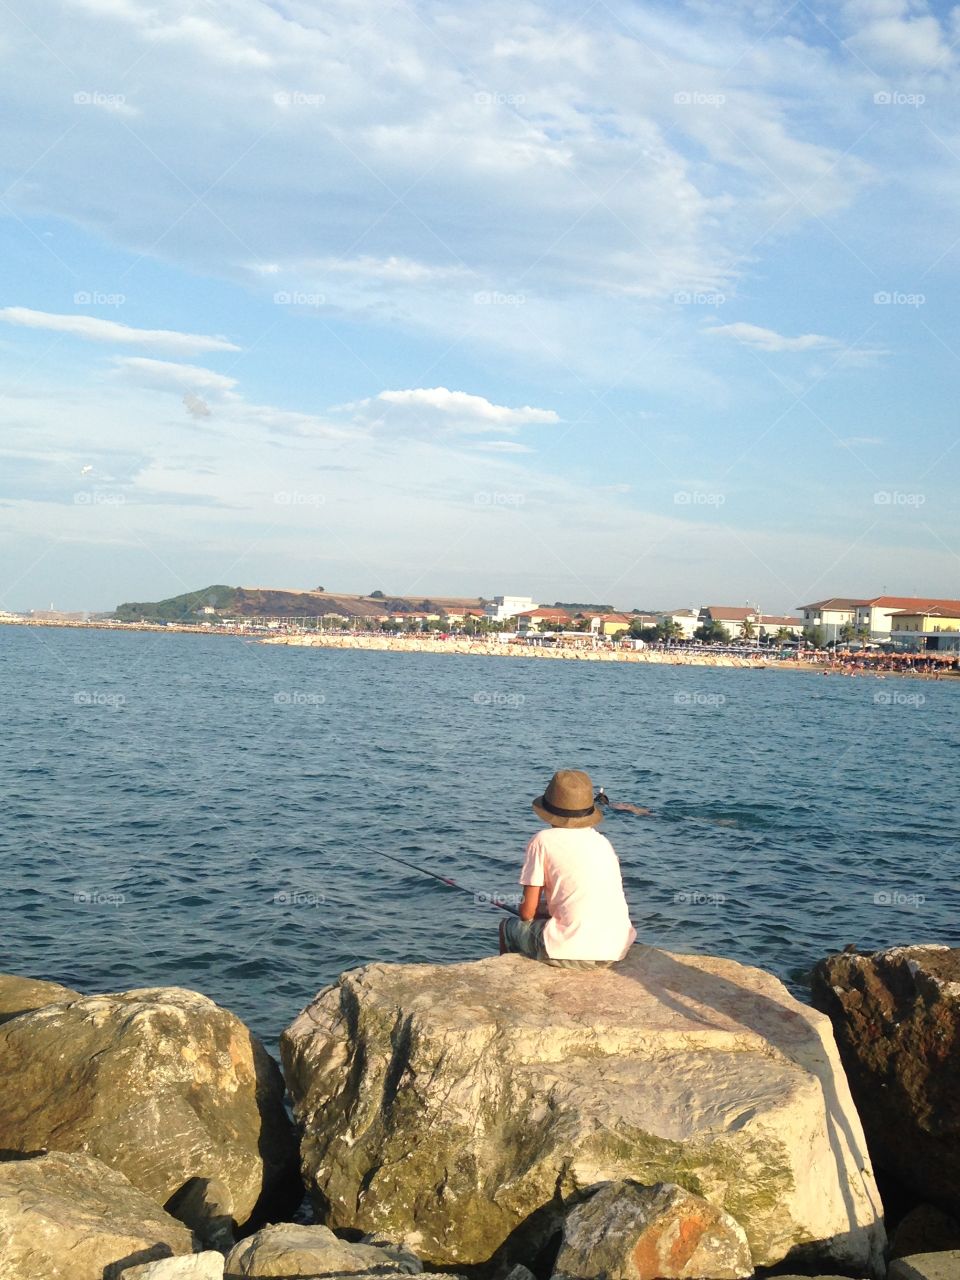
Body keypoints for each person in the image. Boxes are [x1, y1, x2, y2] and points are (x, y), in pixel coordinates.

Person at [499, 769, 637, 969]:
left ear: (548, 810)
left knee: (507, 927)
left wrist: (530, 914)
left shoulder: (542, 840)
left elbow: (527, 913)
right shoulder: (602, 842)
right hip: (617, 949)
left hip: (572, 952)